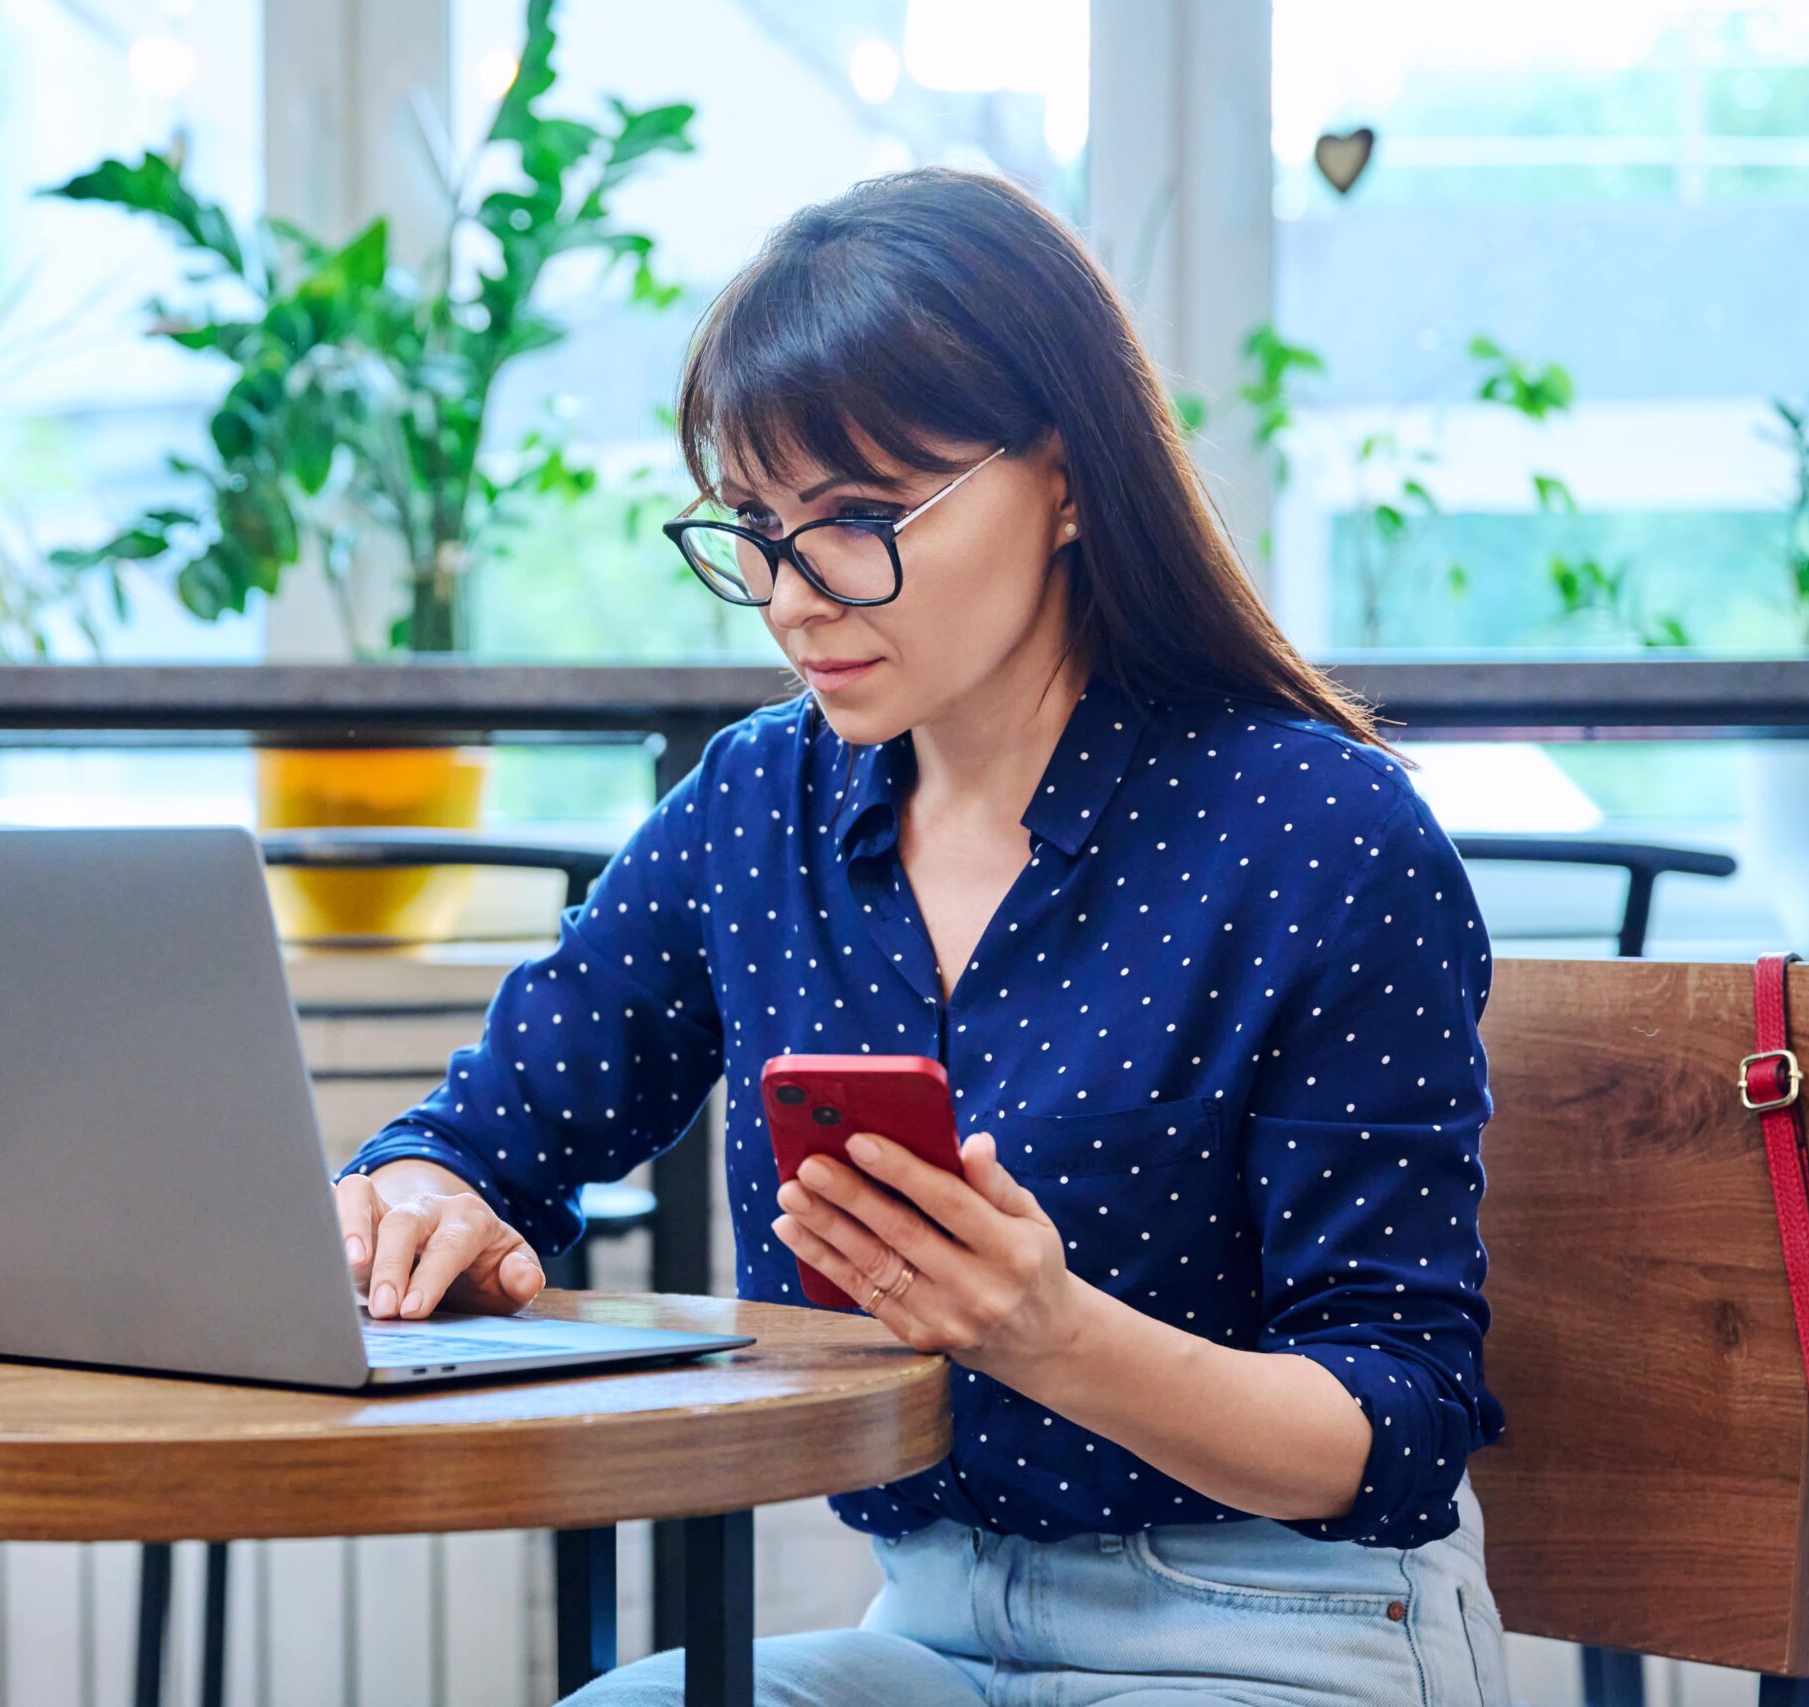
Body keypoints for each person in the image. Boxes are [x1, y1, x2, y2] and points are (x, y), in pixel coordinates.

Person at [329, 166, 1508, 1706]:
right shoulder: (760, 802)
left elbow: (1403, 1422)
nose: (792, 594)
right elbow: (492, 1133)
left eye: (864, 518)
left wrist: (1050, 1332)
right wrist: (425, 1193)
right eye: (754, 526)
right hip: (942, 1629)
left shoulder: (1320, 832)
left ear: (1071, 478)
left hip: (1285, 1631)